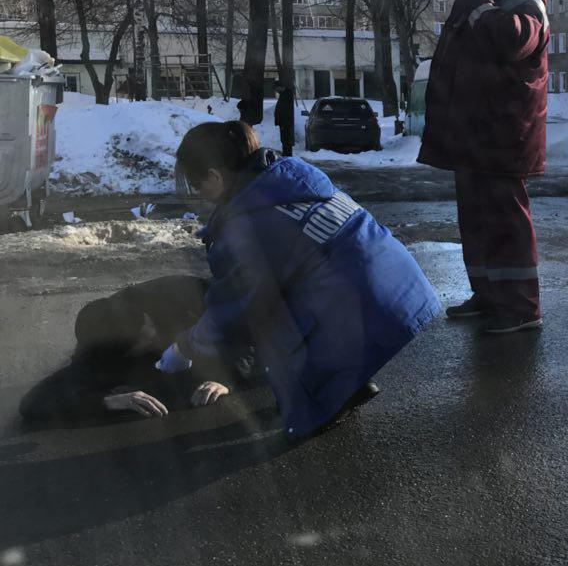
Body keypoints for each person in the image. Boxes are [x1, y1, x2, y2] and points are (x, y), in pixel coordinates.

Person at [171, 120, 442, 440]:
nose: (201, 196)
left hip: (368, 307)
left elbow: (233, 305)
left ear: (215, 176)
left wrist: (185, 347)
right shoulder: (290, 173)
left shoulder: (245, 223)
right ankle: (347, 381)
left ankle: (323, 401)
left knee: (266, 312)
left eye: (197, 185)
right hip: (403, 287)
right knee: (302, 283)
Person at [418, 0, 550, 335]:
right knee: (474, 221)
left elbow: (511, 42)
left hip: (502, 134)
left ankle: (521, 308)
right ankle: (488, 296)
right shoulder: (475, 1)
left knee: (505, 222)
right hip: (472, 134)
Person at [19, 276, 253, 425]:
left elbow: (245, 330)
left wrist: (226, 377)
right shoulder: (95, 351)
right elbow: (32, 403)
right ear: (125, 353)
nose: (156, 337)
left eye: (150, 327)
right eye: (146, 339)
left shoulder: (183, 299)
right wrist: (108, 401)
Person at [274, 82, 296, 157]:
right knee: (284, 140)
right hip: (283, 122)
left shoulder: (287, 94)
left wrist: (282, 121)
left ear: (280, 87)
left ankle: (287, 155)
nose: (276, 91)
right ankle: (286, 154)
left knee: (286, 140)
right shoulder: (284, 94)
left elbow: (284, 110)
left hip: (285, 122)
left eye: (276, 89)